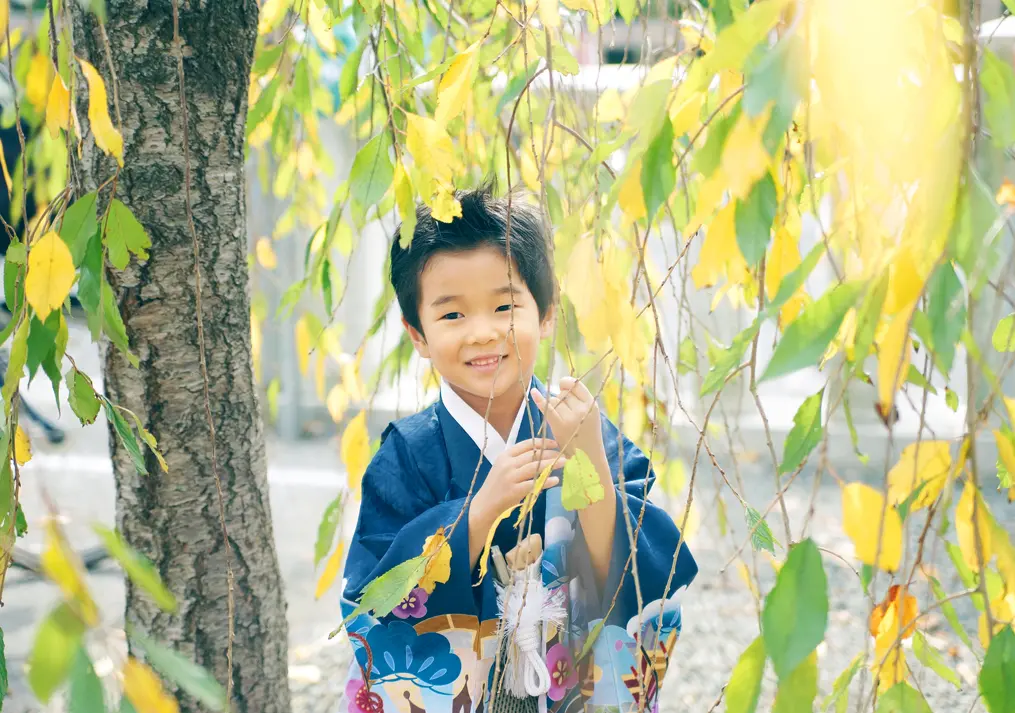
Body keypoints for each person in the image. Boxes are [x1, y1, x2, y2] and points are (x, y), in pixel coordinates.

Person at [339, 184, 697, 713]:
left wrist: (591, 464)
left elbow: (630, 587)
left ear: (546, 313)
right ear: (417, 334)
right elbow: (377, 600)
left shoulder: (591, 435)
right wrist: (479, 512)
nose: (483, 333)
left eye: (505, 306)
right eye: (452, 315)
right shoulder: (407, 456)